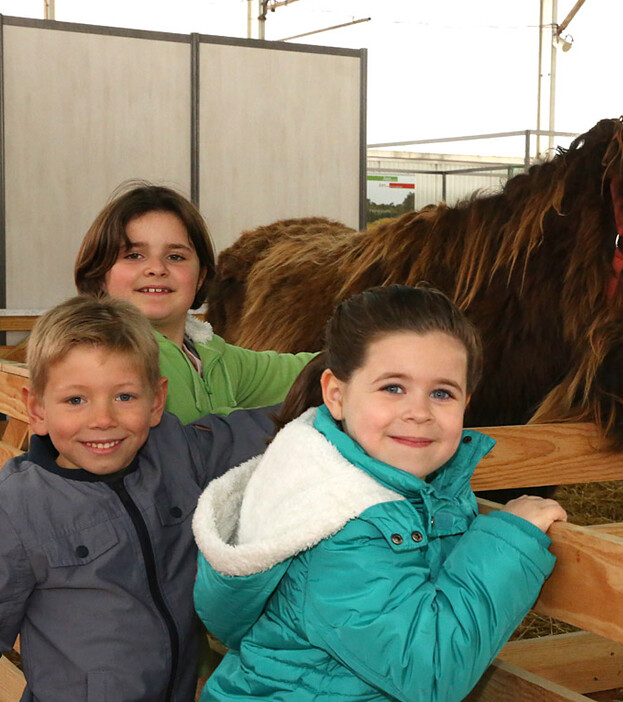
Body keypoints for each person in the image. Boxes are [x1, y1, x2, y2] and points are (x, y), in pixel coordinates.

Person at [193, 285, 565, 701]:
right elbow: (431, 670)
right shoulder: (338, 523)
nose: (419, 412)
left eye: (442, 393)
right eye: (393, 388)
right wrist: (511, 539)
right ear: (336, 394)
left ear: (467, 402)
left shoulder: (398, 481)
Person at [0, 296, 276, 702]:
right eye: (76, 400)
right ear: (36, 409)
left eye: (124, 397)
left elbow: (261, 428)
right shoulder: (13, 510)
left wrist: (343, 394)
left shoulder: (175, 453)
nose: (103, 419)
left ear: (156, 401)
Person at [75, 182, 314, 425]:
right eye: (134, 255)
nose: (157, 268)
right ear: (99, 274)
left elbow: (309, 371)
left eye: (175, 256)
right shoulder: (97, 356)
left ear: (200, 277)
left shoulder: (213, 355)